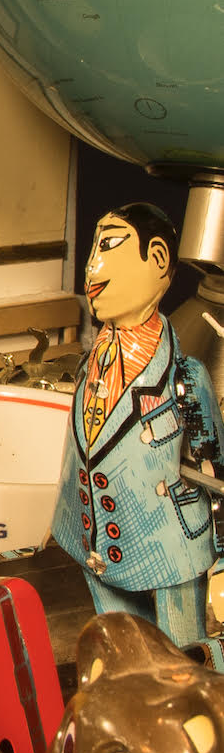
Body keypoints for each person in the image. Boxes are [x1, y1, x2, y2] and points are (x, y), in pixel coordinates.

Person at [50, 203, 224, 666]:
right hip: (94, 548)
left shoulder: (184, 379)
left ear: (160, 260)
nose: (92, 266)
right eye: (92, 247)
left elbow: (216, 475)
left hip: (168, 558)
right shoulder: (90, 365)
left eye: (108, 246)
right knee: (120, 665)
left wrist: (223, 566)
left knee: (184, 670)